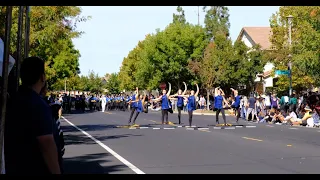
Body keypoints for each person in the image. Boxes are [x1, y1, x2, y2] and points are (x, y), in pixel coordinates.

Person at [5, 57, 61, 174]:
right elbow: (46, 143)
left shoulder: (15, 99)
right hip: (34, 166)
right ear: (42, 77)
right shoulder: (37, 104)